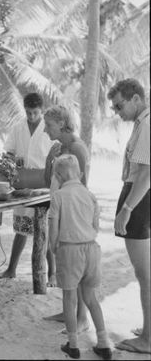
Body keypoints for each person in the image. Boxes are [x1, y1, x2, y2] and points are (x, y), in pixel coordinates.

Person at [48, 154, 112, 360]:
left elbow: (53, 226)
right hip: (92, 249)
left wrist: (54, 247)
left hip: (70, 250)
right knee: (91, 298)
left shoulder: (58, 196)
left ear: (58, 175)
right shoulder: (90, 195)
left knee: (69, 298)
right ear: (80, 174)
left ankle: (73, 344)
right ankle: (103, 343)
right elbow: (95, 226)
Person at [0, 93, 54, 282]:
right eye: (28, 112)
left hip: (43, 182)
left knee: (44, 228)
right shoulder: (18, 127)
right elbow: (8, 152)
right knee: (21, 227)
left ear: (41, 110)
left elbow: (55, 154)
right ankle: (11, 269)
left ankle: (52, 272)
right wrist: (11, 160)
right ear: (24, 109)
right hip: (22, 180)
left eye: (35, 112)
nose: (32, 116)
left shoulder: (48, 128)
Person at [107, 79, 150, 355]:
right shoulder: (142, 122)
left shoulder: (146, 124)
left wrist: (126, 209)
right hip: (140, 197)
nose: (117, 111)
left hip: (139, 198)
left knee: (144, 273)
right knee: (146, 271)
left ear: (136, 99)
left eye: (119, 105)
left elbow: (147, 173)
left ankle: (148, 339)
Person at [42, 105, 90, 334]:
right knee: (65, 267)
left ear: (61, 124)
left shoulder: (78, 148)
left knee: (77, 269)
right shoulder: (60, 149)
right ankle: (67, 312)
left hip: (73, 216)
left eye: (48, 125)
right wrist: (48, 159)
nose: (44, 129)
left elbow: (83, 188)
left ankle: (82, 318)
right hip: (59, 212)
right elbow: (47, 181)